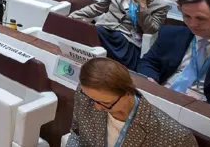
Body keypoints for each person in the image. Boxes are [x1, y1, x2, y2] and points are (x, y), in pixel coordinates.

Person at [67, 58, 197, 147]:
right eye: (92, 99)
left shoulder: (176, 138)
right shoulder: (87, 95)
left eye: (105, 103)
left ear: (128, 93)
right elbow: (77, 134)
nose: (96, 106)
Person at [137, 0, 210, 110]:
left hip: (202, 110)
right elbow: (149, 62)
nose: (192, 24)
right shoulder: (171, 34)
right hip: (160, 97)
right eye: (187, 16)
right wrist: (149, 78)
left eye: (200, 18)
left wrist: (206, 105)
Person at [70, 0, 168, 69]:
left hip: (128, 39)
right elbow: (97, 8)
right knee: (88, 30)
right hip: (105, 29)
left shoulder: (160, 5)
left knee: (94, 33)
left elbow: (150, 30)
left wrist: (143, 7)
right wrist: (73, 16)